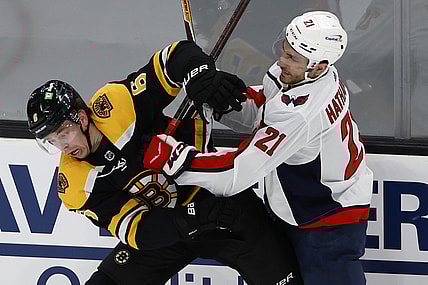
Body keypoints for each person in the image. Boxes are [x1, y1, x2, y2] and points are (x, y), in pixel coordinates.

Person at [26, 40, 302, 285]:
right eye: (51, 140)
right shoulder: (74, 183)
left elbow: (177, 56)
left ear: (82, 118)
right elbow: (140, 232)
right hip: (169, 229)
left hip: (224, 206)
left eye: (63, 132)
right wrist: (191, 216)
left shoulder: (115, 105)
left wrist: (199, 74)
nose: (63, 145)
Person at [145, 11, 373, 285]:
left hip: (330, 217)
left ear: (320, 66)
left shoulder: (304, 113)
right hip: (299, 203)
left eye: (292, 58)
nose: (281, 61)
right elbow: (264, 111)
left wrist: (177, 160)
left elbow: (236, 173)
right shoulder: (298, 76)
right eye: (284, 50)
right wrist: (218, 99)